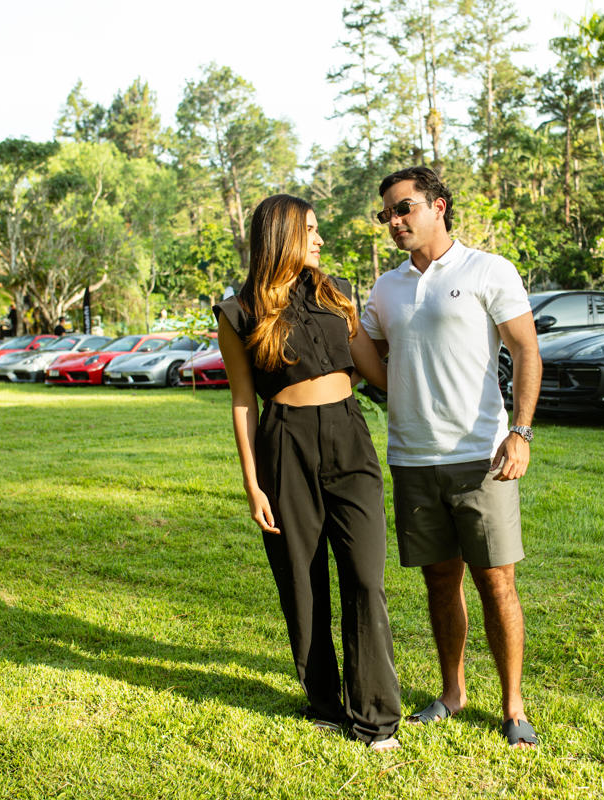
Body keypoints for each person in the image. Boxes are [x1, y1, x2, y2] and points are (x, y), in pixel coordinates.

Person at [360, 166, 542, 748]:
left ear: (438, 206)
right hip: (412, 458)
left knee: (496, 582)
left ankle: (513, 706)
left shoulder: (487, 269)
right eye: (386, 214)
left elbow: (526, 350)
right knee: (440, 581)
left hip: (481, 458)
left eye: (403, 208)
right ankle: (452, 693)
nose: (394, 221)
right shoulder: (385, 288)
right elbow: (371, 362)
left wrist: (521, 432)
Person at [215, 194, 402, 751]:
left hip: (349, 436)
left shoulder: (335, 292)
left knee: (365, 577)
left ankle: (376, 718)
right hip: (284, 443)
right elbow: (243, 402)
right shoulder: (238, 312)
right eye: (311, 230)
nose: (320, 239)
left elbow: (377, 373)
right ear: (282, 235)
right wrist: (253, 484)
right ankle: (325, 703)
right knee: (302, 580)